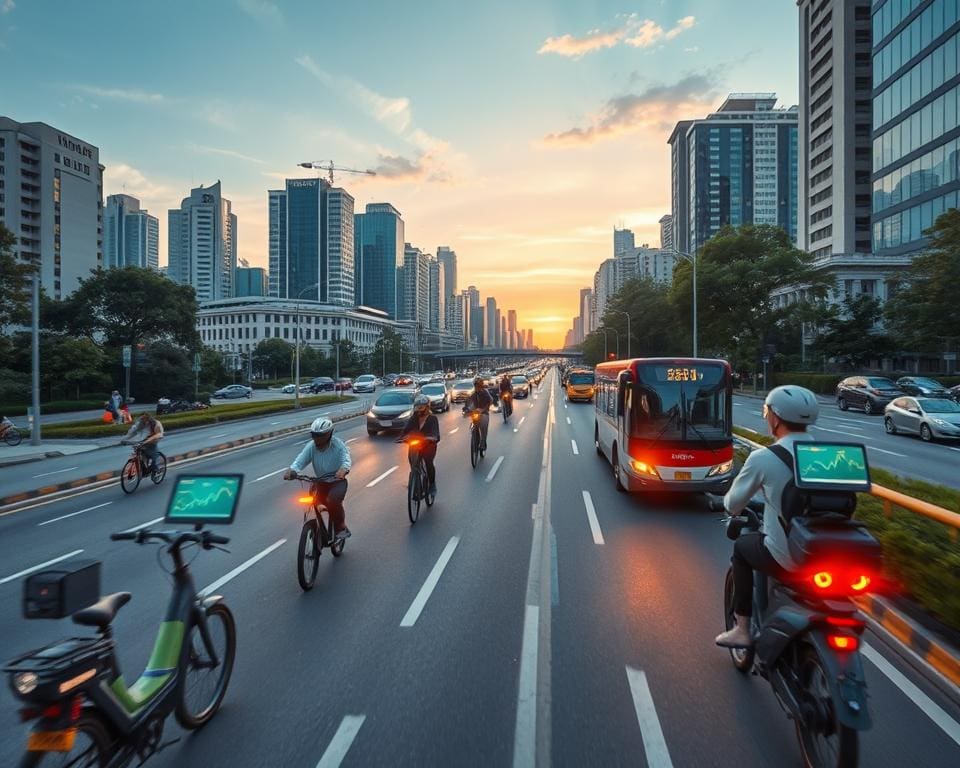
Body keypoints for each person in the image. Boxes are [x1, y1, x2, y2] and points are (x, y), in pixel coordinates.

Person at [714, 385, 818, 648]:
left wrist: (729, 506)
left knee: (742, 548)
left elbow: (734, 502)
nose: (765, 417)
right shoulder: (830, 454)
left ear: (775, 417)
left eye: (766, 411)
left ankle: (742, 629)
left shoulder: (764, 458)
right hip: (828, 553)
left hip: (787, 556)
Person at [283, 418, 353, 541]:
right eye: (314, 435)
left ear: (329, 434)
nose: (317, 439)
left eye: (320, 436)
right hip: (320, 482)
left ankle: (341, 527)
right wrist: (292, 471)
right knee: (314, 500)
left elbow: (346, 459)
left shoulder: (338, 445)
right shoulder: (311, 447)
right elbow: (300, 461)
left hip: (337, 482)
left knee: (332, 500)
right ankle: (318, 527)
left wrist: (343, 470)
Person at [399, 394, 441, 496]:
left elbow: (436, 433)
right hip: (415, 445)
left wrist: (432, 438)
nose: (419, 410)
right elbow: (406, 430)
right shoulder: (413, 418)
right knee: (413, 464)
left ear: (427, 407)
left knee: (428, 463)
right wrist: (403, 437)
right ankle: (415, 480)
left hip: (428, 445)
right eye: (417, 407)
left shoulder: (432, 419)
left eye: (421, 407)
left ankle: (432, 484)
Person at [462, 375, 494, 451]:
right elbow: (468, 403)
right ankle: (475, 437)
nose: (477, 387)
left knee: (484, 426)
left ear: (482, 385)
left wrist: (483, 409)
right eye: (476, 385)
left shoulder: (486, 393)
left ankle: (483, 443)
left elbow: (490, 401)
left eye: (479, 385)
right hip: (475, 413)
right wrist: (466, 409)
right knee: (472, 424)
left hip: (484, 413)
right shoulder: (473, 394)